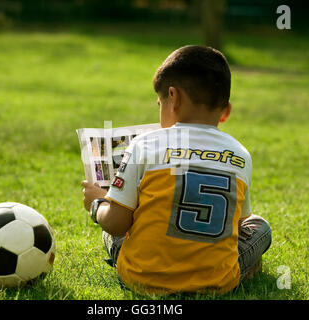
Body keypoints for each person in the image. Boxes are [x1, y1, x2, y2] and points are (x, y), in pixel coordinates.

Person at [82, 45, 271, 295]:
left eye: (160, 103)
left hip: (142, 277)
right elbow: (238, 224)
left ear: (173, 97)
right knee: (260, 226)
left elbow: (117, 224)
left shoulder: (144, 145)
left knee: (113, 227)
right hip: (216, 283)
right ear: (226, 111)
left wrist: (97, 204)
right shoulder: (240, 154)